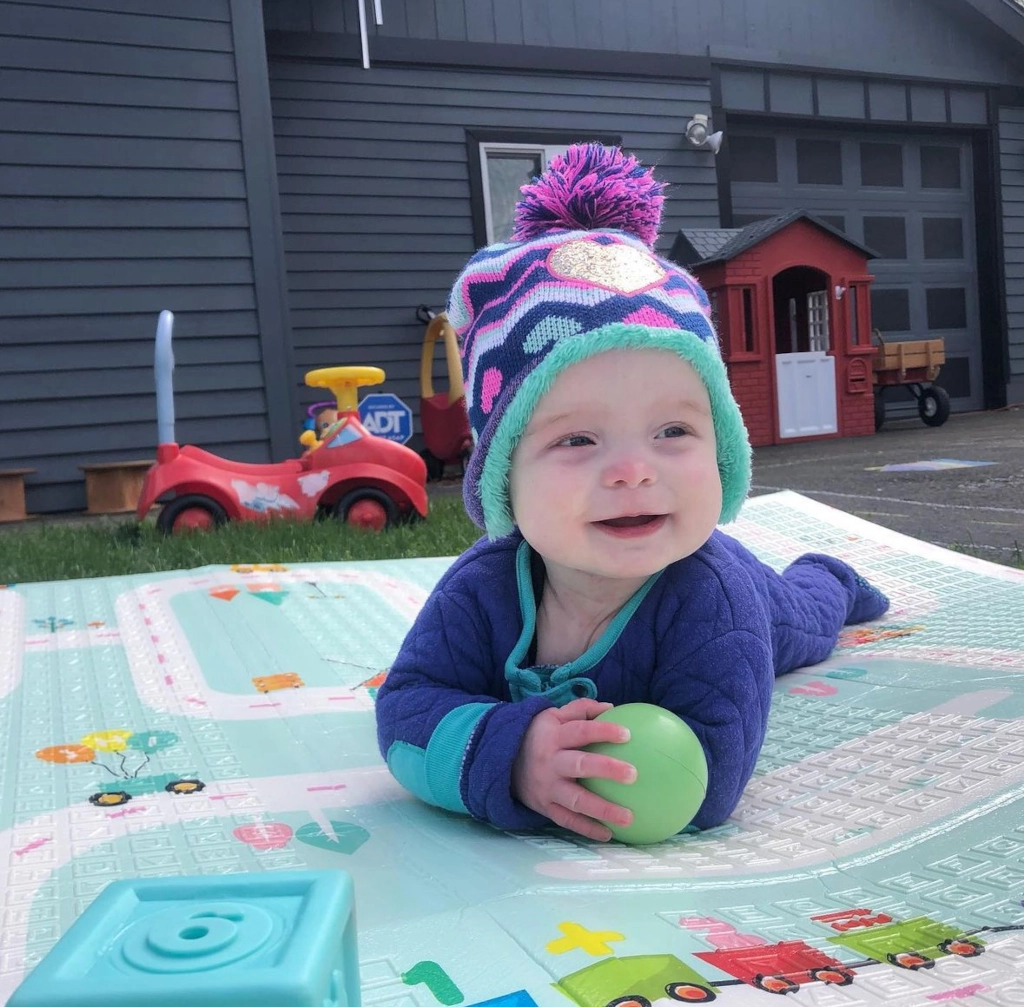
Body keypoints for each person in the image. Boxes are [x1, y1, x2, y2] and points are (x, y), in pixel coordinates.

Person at [375, 143, 889, 842]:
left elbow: (710, 783)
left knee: (807, 617)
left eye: (673, 430)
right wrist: (514, 756)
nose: (632, 472)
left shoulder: (714, 600)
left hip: (758, 599)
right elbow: (405, 707)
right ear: (503, 477)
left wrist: (593, 765)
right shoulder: (481, 589)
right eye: (577, 439)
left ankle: (831, 574)